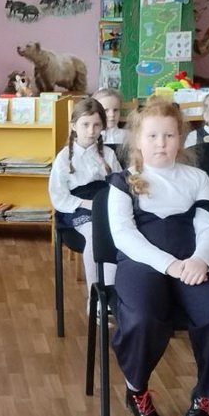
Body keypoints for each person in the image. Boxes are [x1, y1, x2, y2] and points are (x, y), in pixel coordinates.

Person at [107, 99, 209, 416]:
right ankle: (137, 391)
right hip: (142, 263)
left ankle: (205, 394)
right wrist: (169, 265)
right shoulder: (124, 181)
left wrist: (201, 260)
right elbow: (124, 235)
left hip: (191, 262)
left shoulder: (197, 178)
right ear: (138, 140)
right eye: (152, 136)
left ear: (180, 138)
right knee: (141, 319)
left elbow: (208, 226)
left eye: (168, 135)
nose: (161, 143)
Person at [48, 96, 123, 307]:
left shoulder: (108, 154)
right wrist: (84, 204)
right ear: (74, 126)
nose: (91, 131)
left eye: (97, 125)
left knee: (117, 233)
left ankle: (110, 296)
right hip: (78, 207)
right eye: (85, 125)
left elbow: (119, 184)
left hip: (105, 203)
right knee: (94, 233)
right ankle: (95, 298)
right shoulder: (64, 158)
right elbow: (58, 195)